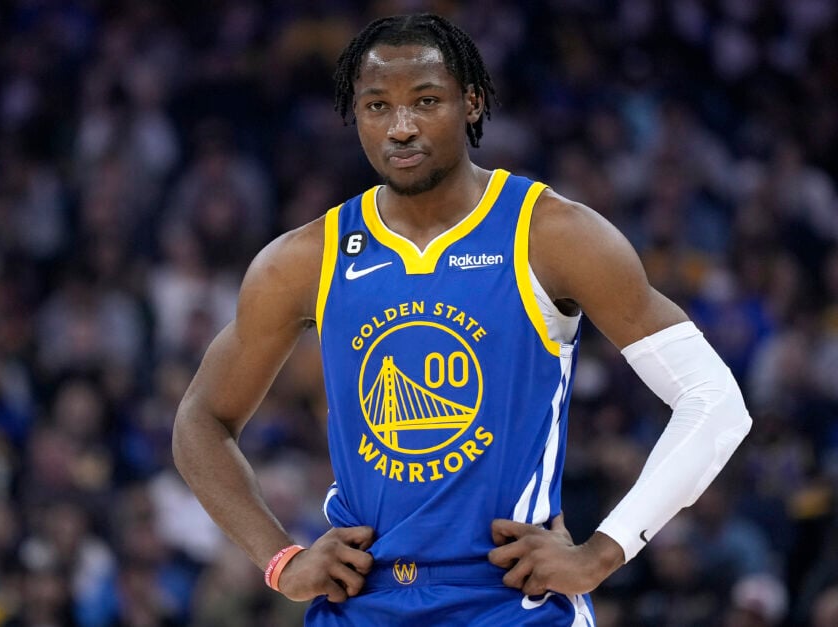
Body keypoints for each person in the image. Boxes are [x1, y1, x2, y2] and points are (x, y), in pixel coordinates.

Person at [172, 13, 753, 626]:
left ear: (471, 103)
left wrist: (604, 552)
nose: (400, 128)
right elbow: (200, 421)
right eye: (376, 107)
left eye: (425, 102)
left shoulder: (552, 234)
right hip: (362, 605)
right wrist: (280, 560)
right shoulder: (305, 259)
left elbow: (713, 399)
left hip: (514, 606)